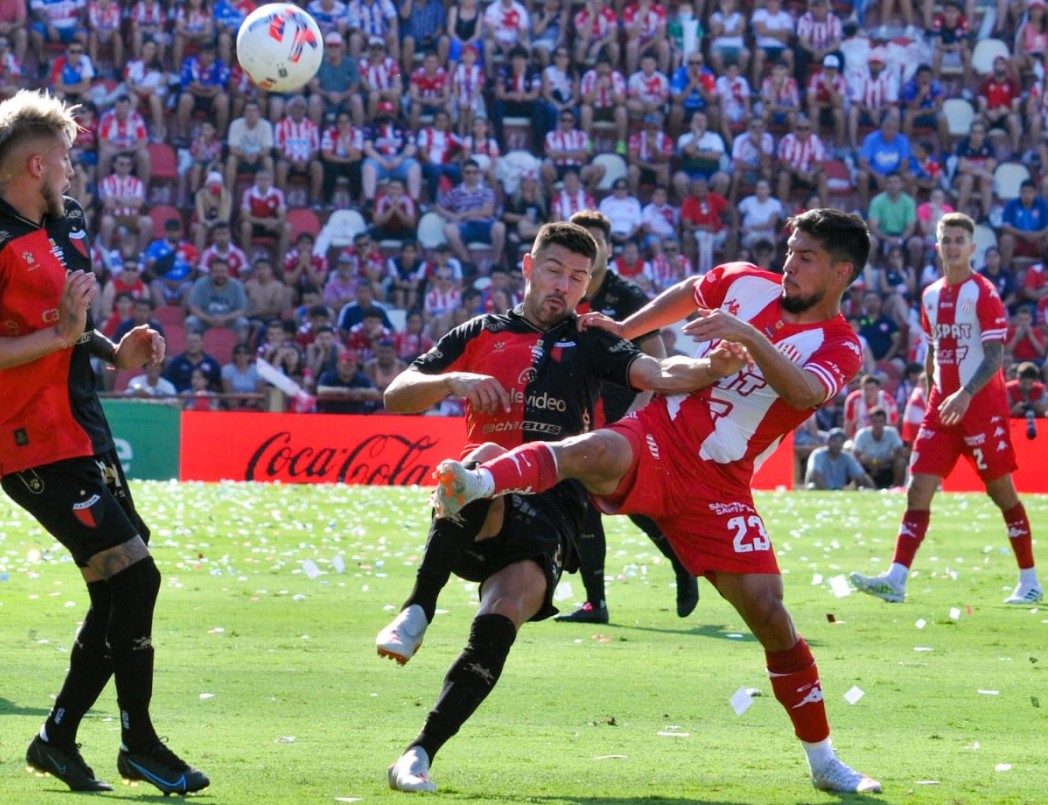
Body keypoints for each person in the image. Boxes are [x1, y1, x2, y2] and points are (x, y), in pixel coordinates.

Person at [429, 209, 883, 794]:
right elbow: (692, 291)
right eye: (791, 251)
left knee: (772, 617)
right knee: (594, 450)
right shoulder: (746, 281)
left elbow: (803, 391)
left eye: (807, 259)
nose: (790, 265)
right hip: (661, 433)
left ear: (842, 272)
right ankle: (480, 482)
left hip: (721, 484)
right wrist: (623, 330)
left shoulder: (842, 346)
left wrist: (748, 336)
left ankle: (823, 762)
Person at [376, 222, 748, 792]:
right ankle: (418, 607)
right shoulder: (480, 331)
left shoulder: (591, 337)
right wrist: (454, 381)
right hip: (475, 504)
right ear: (528, 267)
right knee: (487, 456)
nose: (565, 286)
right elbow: (397, 394)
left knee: (505, 611)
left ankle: (420, 751)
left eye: (578, 277)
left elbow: (658, 373)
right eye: (554, 271)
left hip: (552, 506)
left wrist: (710, 370)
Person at [0, 90, 208, 794]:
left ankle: (57, 738)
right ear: (35, 163)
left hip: (84, 432)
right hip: (34, 444)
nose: (72, 172)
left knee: (116, 588)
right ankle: (139, 742)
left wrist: (108, 351)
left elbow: (62, 328)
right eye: (65, 159)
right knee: (136, 575)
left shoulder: (68, 227)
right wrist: (59, 335)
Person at [851, 213, 1042, 606]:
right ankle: (896, 579)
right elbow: (934, 349)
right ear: (937, 247)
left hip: (980, 407)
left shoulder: (984, 293)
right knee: (918, 488)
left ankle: (1030, 581)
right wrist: (929, 390)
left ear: (971, 247)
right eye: (946, 240)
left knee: (1001, 492)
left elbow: (994, 357)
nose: (953, 246)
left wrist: (966, 394)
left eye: (960, 240)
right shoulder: (930, 295)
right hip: (942, 406)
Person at [556, 210, 698, 624]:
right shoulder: (562, 291)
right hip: (576, 411)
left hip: (623, 414)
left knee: (629, 501)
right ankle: (595, 602)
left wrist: (639, 414)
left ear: (608, 249)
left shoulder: (627, 296)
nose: (589, 247)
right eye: (581, 238)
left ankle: (680, 562)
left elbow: (658, 359)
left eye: (596, 242)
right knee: (584, 503)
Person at [852, 407, 907, 488]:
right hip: (867, 469)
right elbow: (855, 456)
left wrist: (884, 461)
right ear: (870, 422)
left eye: (881, 421)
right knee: (855, 465)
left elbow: (900, 452)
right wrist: (871, 463)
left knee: (901, 463)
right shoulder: (861, 434)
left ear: (885, 422)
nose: (878, 425)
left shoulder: (892, 433)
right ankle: (860, 488)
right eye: (875, 421)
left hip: (887, 468)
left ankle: (896, 489)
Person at [805, 429, 874, 490]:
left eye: (840, 442)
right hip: (819, 490)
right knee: (812, 487)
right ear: (828, 442)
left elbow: (860, 475)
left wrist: (874, 489)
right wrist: (826, 492)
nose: (837, 444)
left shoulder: (846, 456)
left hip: (838, 491)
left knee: (862, 488)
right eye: (834, 441)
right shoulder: (818, 454)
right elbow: (815, 474)